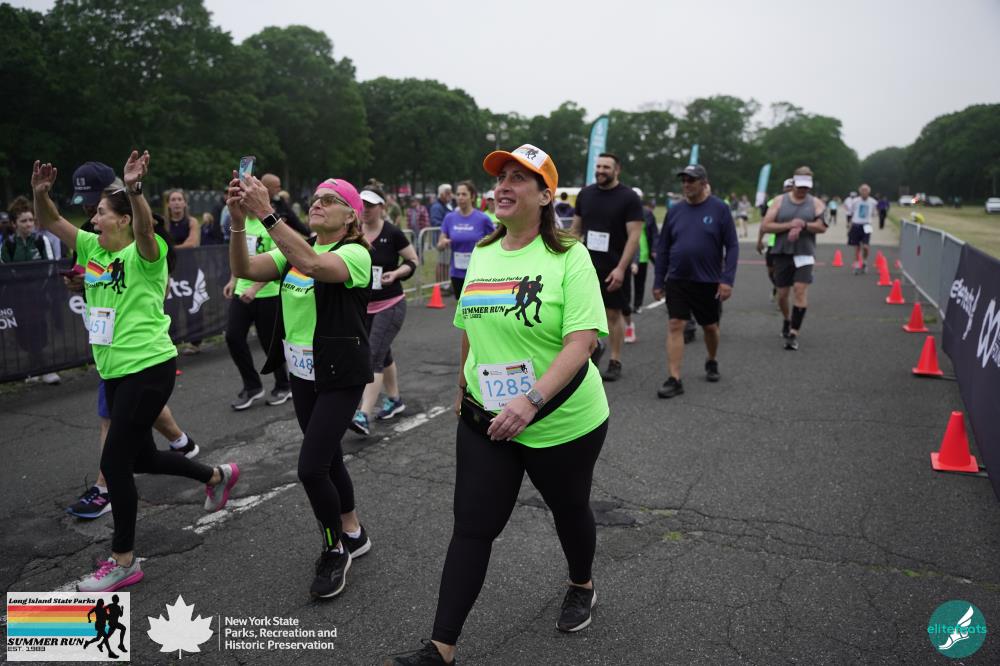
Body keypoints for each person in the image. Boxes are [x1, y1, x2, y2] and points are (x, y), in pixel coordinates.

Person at [384, 143, 609, 666]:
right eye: (500, 177)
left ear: (546, 196)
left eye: (518, 178)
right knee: (472, 525)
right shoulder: (484, 252)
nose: (503, 186)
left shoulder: (568, 256)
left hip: (563, 419)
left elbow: (582, 342)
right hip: (486, 419)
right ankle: (440, 649)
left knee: (569, 508)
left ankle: (581, 583)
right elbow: (470, 327)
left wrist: (530, 402)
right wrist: (462, 388)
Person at [32, 152, 239, 592]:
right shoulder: (92, 248)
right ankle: (217, 476)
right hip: (115, 371)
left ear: (123, 219)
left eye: (102, 214)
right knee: (142, 458)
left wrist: (135, 190)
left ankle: (123, 560)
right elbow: (50, 220)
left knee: (113, 463)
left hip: (148, 366)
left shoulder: (147, 251)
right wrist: (39, 193)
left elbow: (145, 229)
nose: (93, 220)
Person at [227, 172, 373, 599]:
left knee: (311, 468)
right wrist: (238, 221)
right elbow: (243, 269)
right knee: (328, 457)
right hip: (303, 373)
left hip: (340, 374)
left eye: (330, 199)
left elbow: (313, 265)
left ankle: (334, 549)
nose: (317, 203)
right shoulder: (293, 249)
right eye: (316, 197)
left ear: (351, 216)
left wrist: (265, 212)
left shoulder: (355, 254)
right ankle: (354, 532)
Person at [652, 165, 738, 398]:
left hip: (708, 280)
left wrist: (727, 279)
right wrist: (659, 281)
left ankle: (711, 359)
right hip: (678, 279)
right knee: (675, 324)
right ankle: (674, 379)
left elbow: (732, 246)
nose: (686, 184)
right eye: (684, 180)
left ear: (703, 182)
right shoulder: (675, 211)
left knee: (710, 327)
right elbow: (663, 248)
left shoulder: (719, 209)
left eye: (691, 180)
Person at [351, 185, 420, 435]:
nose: (365, 210)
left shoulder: (392, 233)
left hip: (390, 305)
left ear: (382, 207)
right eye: (362, 205)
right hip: (363, 307)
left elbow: (413, 260)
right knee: (383, 353)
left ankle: (363, 414)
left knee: (372, 357)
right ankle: (394, 399)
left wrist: (397, 273)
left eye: (370, 205)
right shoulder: (354, 232)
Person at [571, 153, 643, 381]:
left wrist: (621, 268)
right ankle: (591, 351)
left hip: (614, 267)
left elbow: (634, 236)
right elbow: (576, 230)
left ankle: (615, 360)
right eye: (599, 166)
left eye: (606, 167)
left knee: (613, 313)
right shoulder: (585, 194)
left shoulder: (629, 197)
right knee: (584, 315)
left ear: (617, 170)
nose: (601, 170)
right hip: (587, 267)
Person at [222, 202, 292, 411]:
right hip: (241, 292)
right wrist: (233, 281)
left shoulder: (269, 224)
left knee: (269, 343)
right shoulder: (241, 223)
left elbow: (277, 262)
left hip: (267, 294)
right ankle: (252, 386)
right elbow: (239, 257)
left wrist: (255, 288)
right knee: (233, 337)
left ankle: (284, 385)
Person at [760, 166, 828, 350]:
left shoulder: (816, 203)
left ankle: (793, 333)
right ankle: (787, 319)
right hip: (782, 252)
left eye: (806, 187)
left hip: (805, 252)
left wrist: (804, 225)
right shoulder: (779, 201)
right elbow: (766, 225)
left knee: (799, 290)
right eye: (800, 186)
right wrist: (790, 225)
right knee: (782, 295)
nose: (802, 190)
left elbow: (822, 227)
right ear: (794, 182)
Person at [437, 180, 495, 298]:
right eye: (458, 194)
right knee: (460, 305)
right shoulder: (449, 218)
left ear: (472, 197)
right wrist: (442, 244)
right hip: (457, 273)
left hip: (478, 273)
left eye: (464, 194)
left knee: (477, 306)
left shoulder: (483, 219)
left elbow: (496, 242)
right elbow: (439, 245)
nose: (460, 197)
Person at [623, 191, 658, 343]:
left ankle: (637, 305)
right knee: (625, 284)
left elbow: (653, 234)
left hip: (642, 252)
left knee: (639, 282)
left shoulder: (648, 214)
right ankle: (626, 306)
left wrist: (654, 249)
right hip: (625, 254)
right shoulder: (623, 212)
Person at [2, 197, 53, 262]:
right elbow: (4, 267)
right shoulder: (8, 244)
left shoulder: (42, 240)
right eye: (23, 221)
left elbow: (51, 266)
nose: (29, 224)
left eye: (31, 220)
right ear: (13, 223)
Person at [848, 184, 877, 274]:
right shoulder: (855, 201)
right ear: (860, 191)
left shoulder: (873, 202)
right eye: (862, 190)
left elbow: (874, 213)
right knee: (857, 247)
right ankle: (857, 264)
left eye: (866, 190)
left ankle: (864, 261)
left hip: (867, 225)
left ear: (869, 192)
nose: (864, 192)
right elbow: (851, 213)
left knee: (865, 247)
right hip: (856, 225)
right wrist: (849, 225)